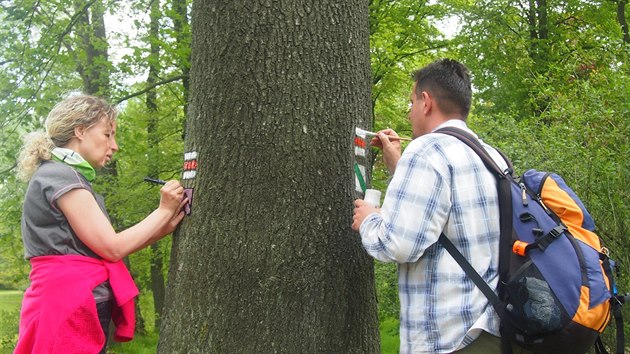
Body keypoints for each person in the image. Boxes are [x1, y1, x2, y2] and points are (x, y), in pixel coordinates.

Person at [352, 59, 521, 353]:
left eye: (411, 102)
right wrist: (400, 166)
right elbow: (447, 211)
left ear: (426, 102)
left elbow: (398, 244)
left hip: (449, 338)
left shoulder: (427, 149)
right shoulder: (491, 156)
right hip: (492, 329)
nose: (409, 112)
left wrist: (369, 220)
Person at [14, 94, 188, 353]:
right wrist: (163, 211)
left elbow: (100, 249)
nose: (114, 145)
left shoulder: (64, 176)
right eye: (108, 135)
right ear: (80, 131)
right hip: (68, 306)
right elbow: (111, 248)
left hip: (71, 303)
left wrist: (164, 225)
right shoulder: (60, 176)